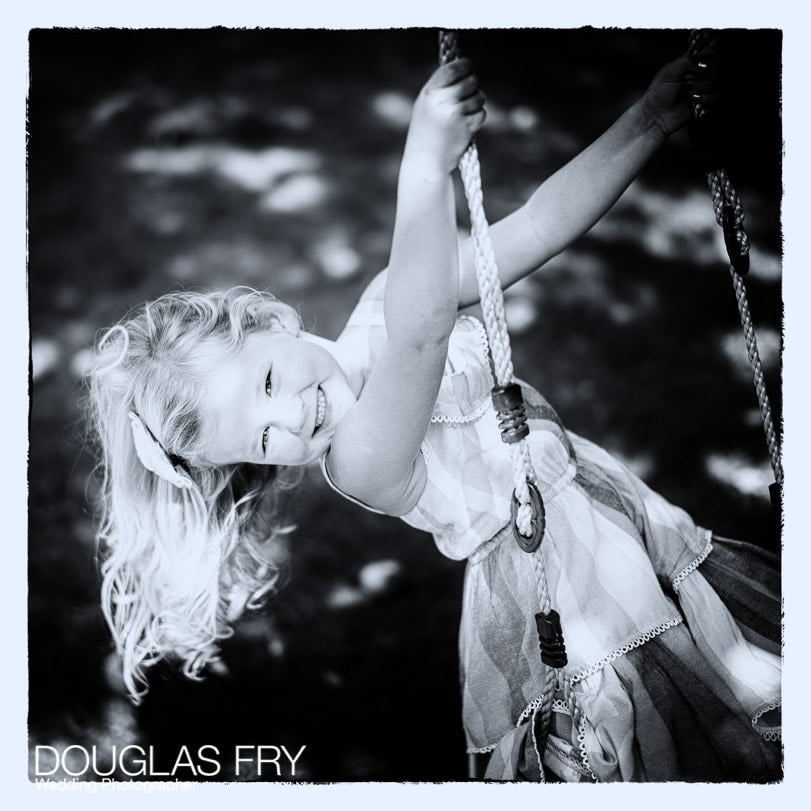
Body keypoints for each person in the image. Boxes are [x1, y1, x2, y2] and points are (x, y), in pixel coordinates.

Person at [87, 52, 781, 782]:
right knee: (667, 737)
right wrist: (422, 168)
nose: (289, 420)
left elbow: (537, 226)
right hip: (572, 605)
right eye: (261, 439)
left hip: (615, 523)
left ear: (270, 320)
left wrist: (647, 120)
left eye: (266, 380)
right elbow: (419, 334)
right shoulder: (359, 459)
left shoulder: (389, 293)